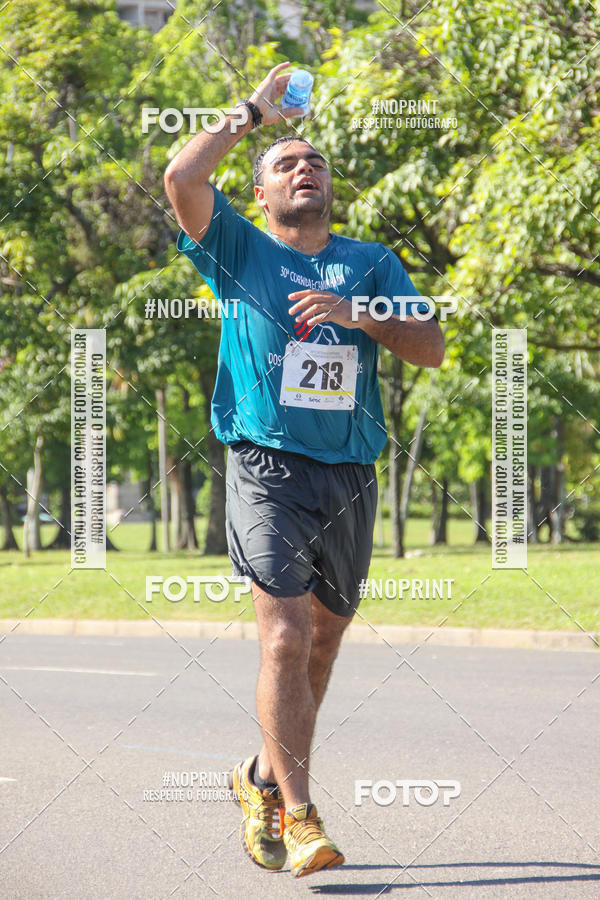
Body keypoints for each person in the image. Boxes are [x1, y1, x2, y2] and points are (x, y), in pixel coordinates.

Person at [164, 62, 444, 879]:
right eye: (285, 163)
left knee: (321, 646)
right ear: (259, 194)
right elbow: (183, 174)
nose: (303, 167)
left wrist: (359, 314)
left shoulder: (373, 262)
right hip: (265, 465)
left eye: (314, 160)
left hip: (351, 471)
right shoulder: (238, 248)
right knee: (283, 637)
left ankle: (259, 779)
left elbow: (430, 347)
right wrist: (254, 111)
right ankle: (303, 815)